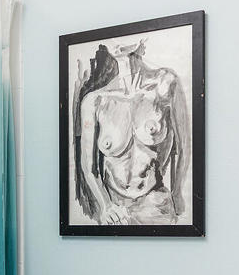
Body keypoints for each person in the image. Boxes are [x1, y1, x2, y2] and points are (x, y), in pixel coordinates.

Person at [72, 39, 191, 225]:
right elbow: (89, 167)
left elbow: (185, 147)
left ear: (142, 43)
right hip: (115, 208)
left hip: (155, 204)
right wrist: (105, 206)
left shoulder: (165, 85)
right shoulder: (95, 101)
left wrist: (177, 192)